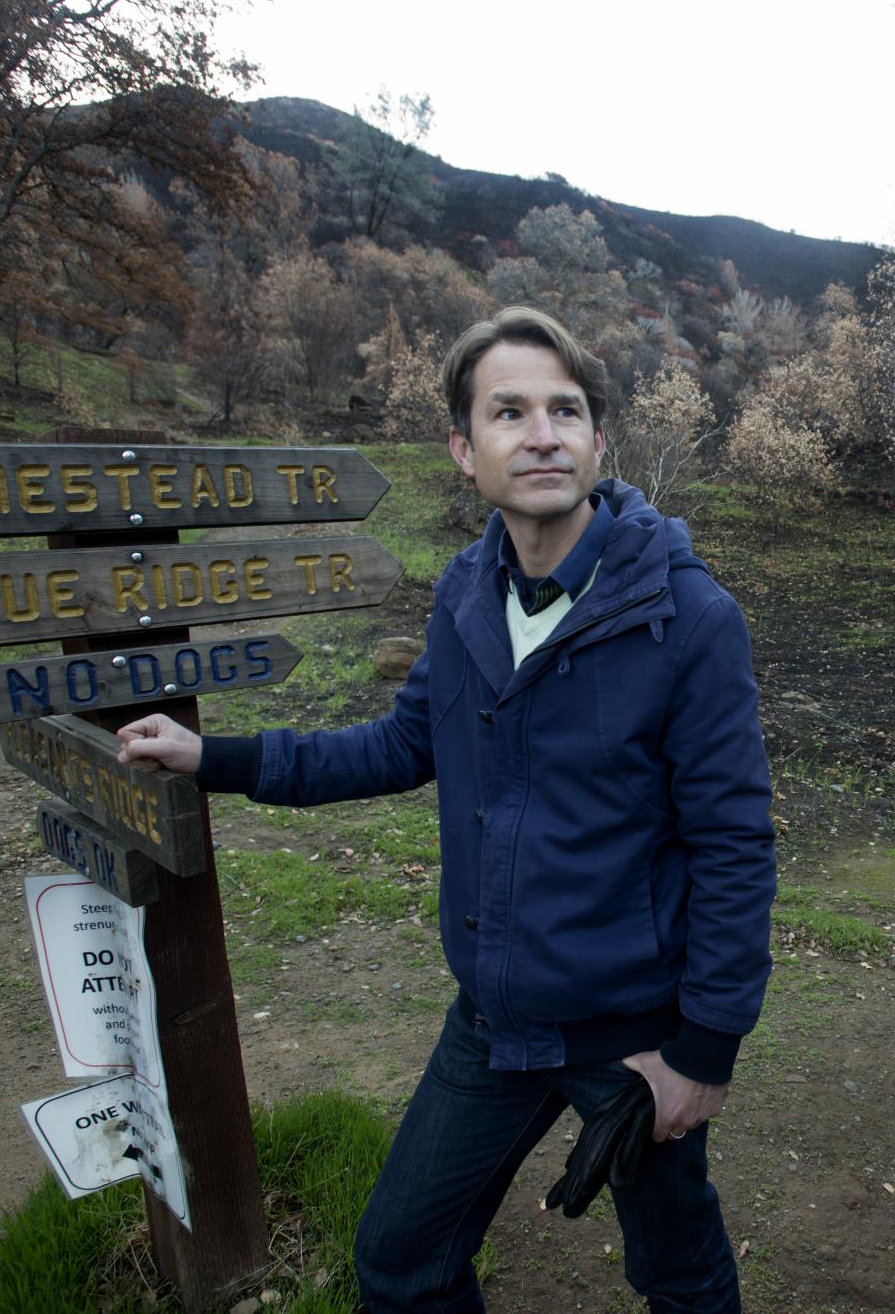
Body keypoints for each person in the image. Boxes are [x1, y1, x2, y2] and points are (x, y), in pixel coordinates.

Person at [115, 306, 775, 1313]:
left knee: (679, 1274)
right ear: (466, 452)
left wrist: (701, 1057)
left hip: (633, 1031)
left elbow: (733, 844)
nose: (541, 432)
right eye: (508, 412)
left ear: (600, 440)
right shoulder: (468, 597)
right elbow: (399, 743)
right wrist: (216, 757)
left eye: (564, 409)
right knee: (398, 1262)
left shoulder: (685, 618)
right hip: (498, 1014)